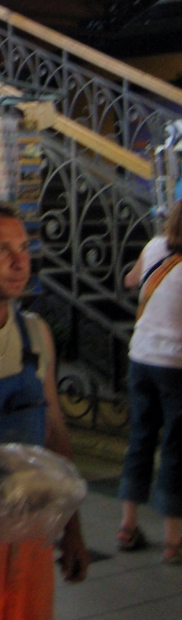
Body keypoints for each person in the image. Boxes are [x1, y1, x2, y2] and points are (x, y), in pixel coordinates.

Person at [0, 206, 88, 619]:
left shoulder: (35, 334)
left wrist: (72, 528)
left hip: (30, 537)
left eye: (24, 248)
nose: (19, 261)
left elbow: (54, 431)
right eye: (2, 250)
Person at [117, 198, 182, 564]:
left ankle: (127, 525)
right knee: (175, 445)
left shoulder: (154, 247)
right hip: (176, 365)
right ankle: (173, 540)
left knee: (140, 438)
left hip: (140, 358)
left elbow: (130, 280)